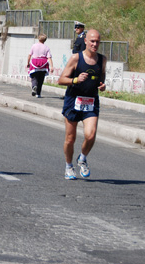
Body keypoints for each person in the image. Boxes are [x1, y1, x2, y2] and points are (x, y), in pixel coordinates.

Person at [58, 29, 107, 180]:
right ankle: (68, 166)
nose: (95, 44)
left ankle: (82, 158)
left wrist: (102, 85)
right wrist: (75, 80)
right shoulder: (76, 58)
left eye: (97, 41)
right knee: (70, 138)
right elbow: (61, 80)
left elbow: (102, 76)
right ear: (85, 41)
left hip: (91, 101)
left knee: (90, 135)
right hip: (73, 100)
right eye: (92, 41)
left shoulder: (102, 59)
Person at [26, 34, 54, 98]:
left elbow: (29, 55)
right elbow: (49, 57)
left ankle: (34, 86)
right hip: (43, 63)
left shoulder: (34, 46)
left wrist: (28, 63)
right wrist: (52, 66)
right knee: (41, 78)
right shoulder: (46, 47)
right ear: (45, 40)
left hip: (35, 62)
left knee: (34, 77)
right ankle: (38, 93)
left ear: (38, 38)